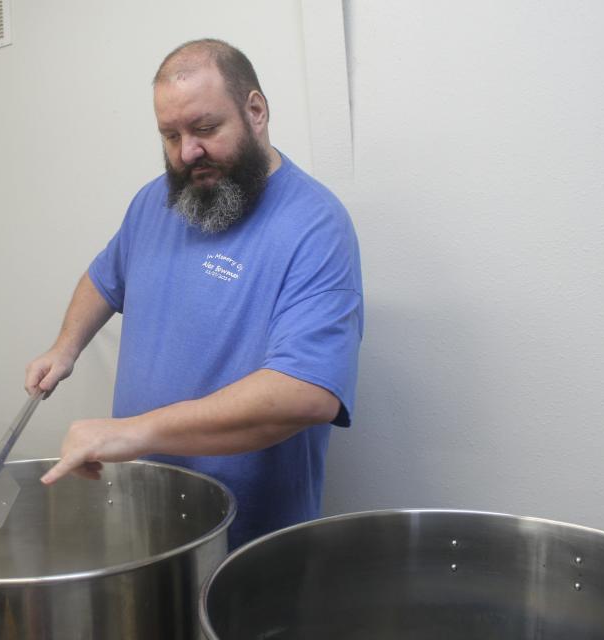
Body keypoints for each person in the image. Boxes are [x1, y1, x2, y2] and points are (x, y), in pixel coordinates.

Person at [25, 38, 363, 549]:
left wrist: (134, 432)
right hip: (144, 514)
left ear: (255, 111)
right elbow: (103, 278)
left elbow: (306, 394)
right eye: (170, 135)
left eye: (205, 129)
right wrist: (65, 347)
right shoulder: (155, 203)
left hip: (249, 540)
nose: (187, 152)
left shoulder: (315, 224)